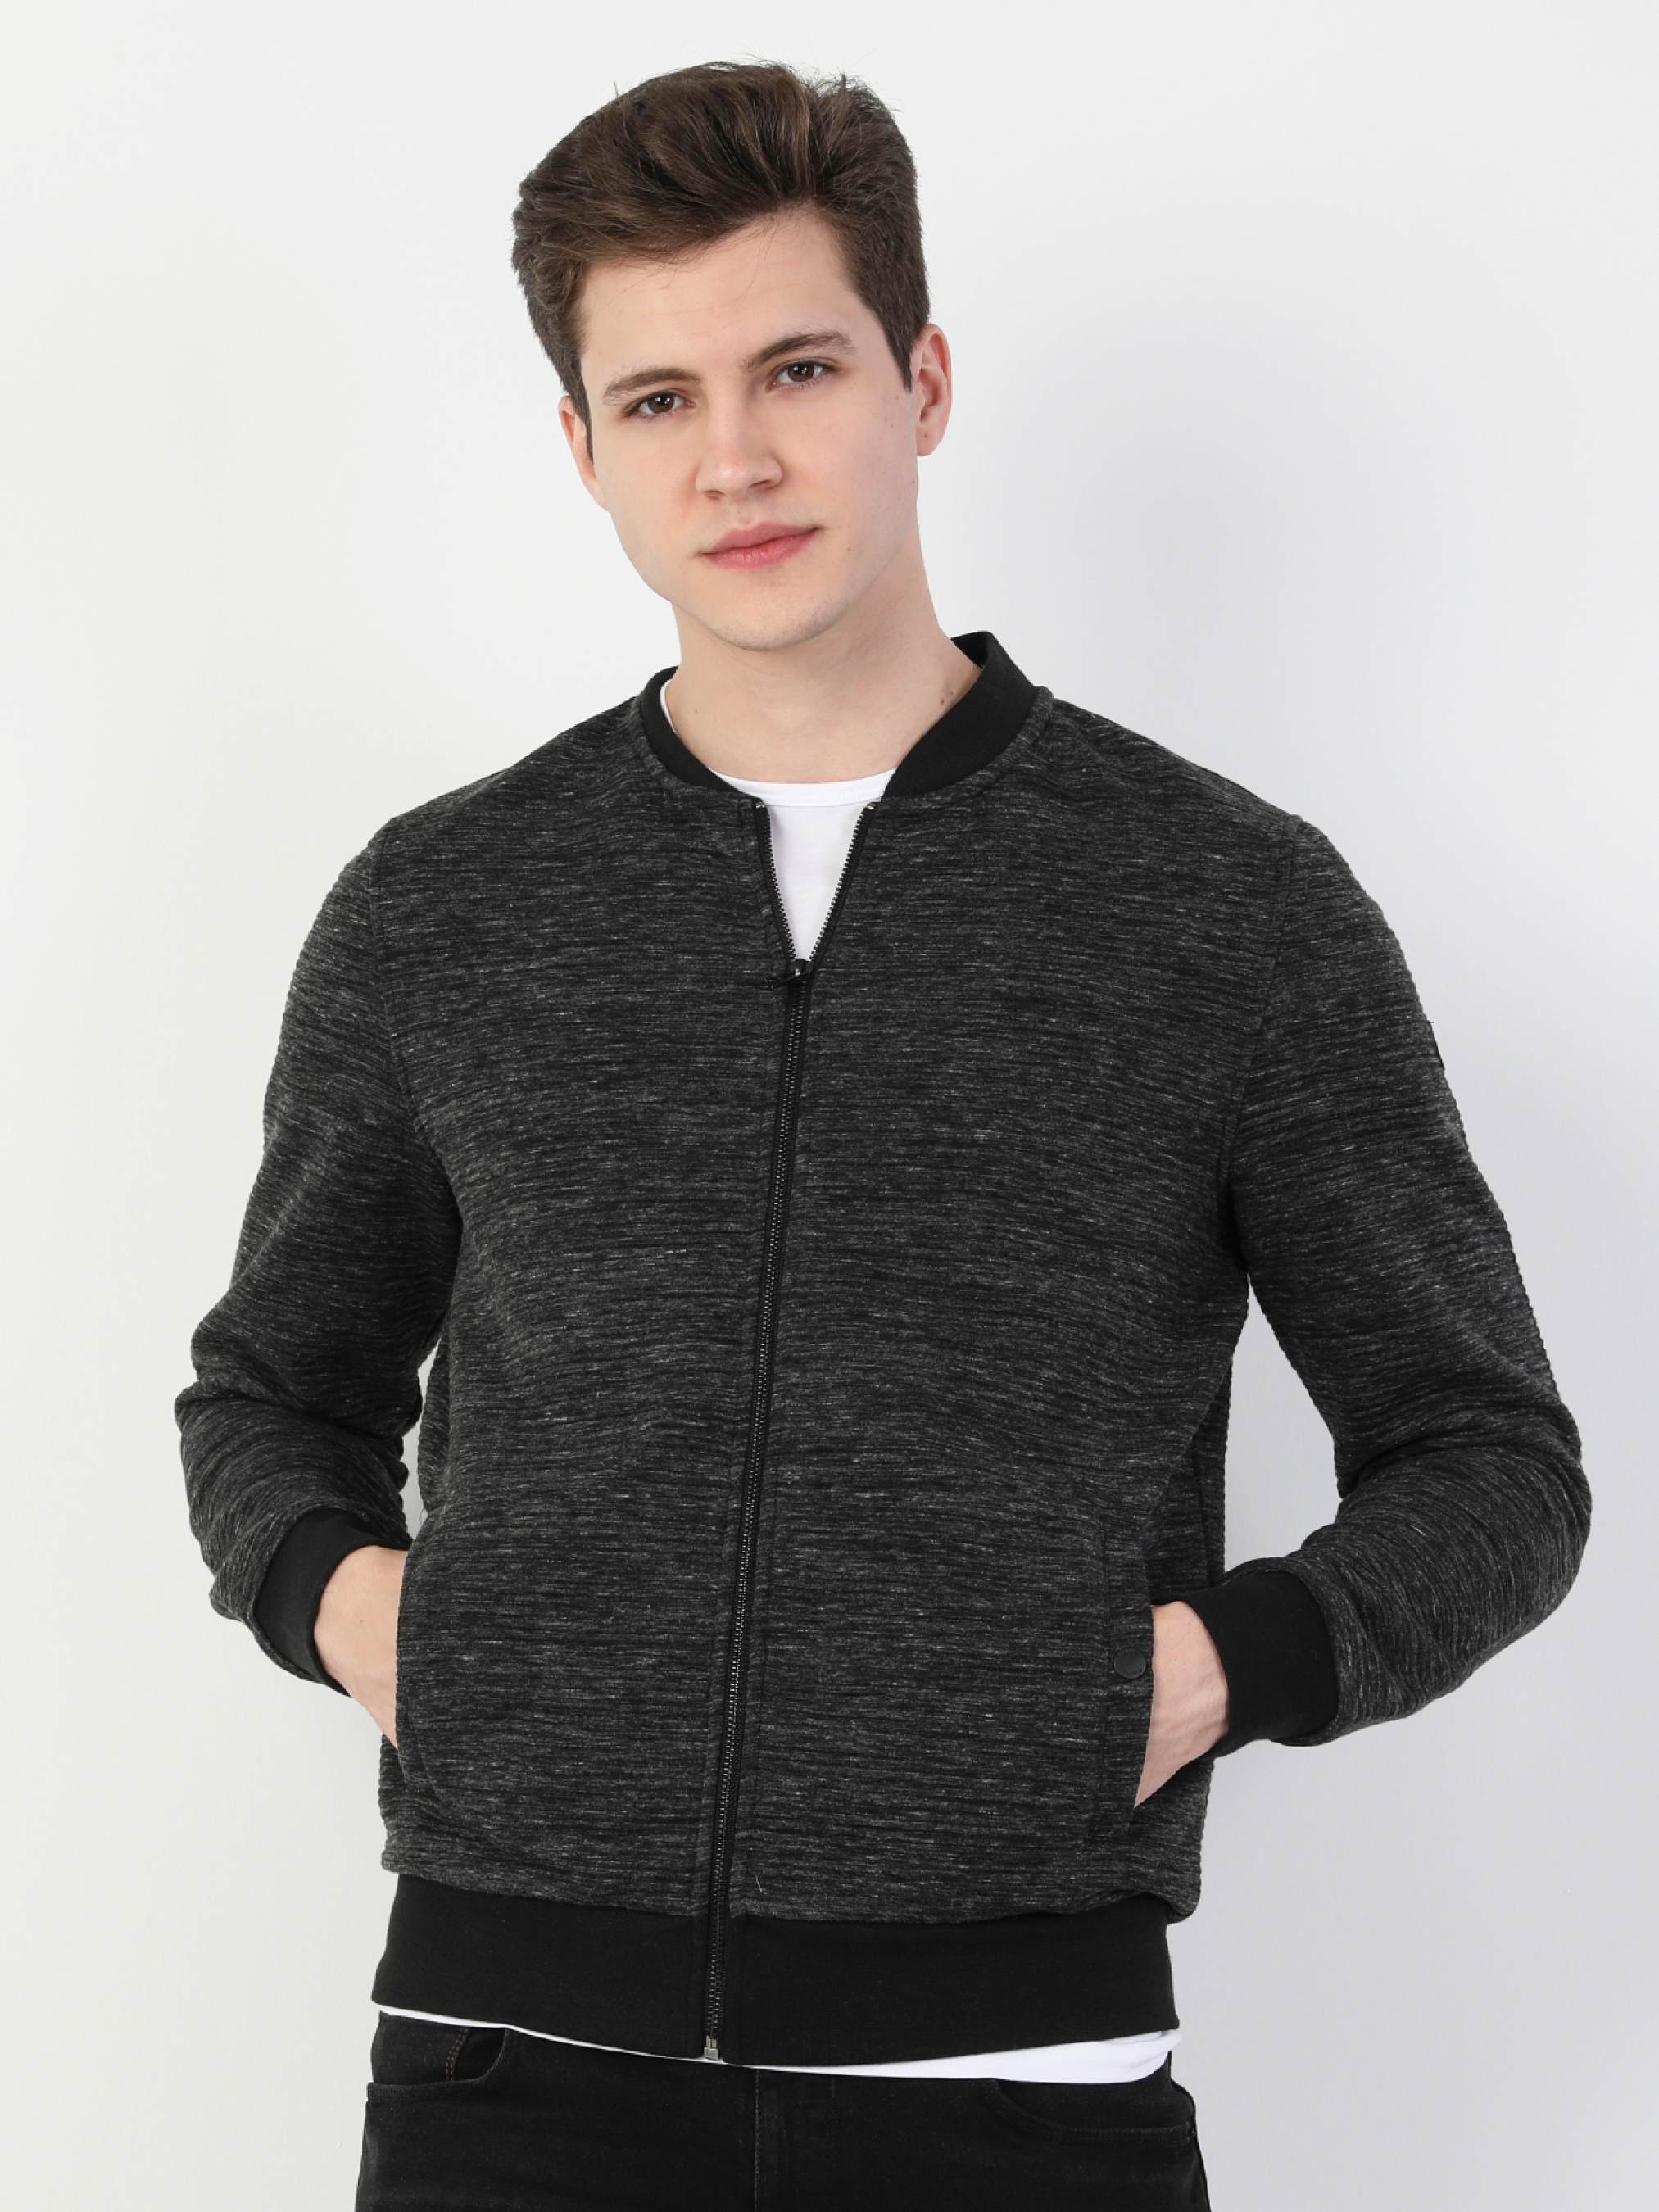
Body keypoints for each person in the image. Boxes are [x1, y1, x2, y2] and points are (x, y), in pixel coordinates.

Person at [177, 58, 1590, 2212]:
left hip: (1018, 2095)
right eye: (656, 399)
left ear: (921, 383)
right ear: (581, 449)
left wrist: (1194, 1675)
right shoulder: (445, 909)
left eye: (798, 368)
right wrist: (378, 1621)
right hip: (511, 2088)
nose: (732, 456)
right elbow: (272, 1391)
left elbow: (1489, 1459)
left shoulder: (1225, 910)